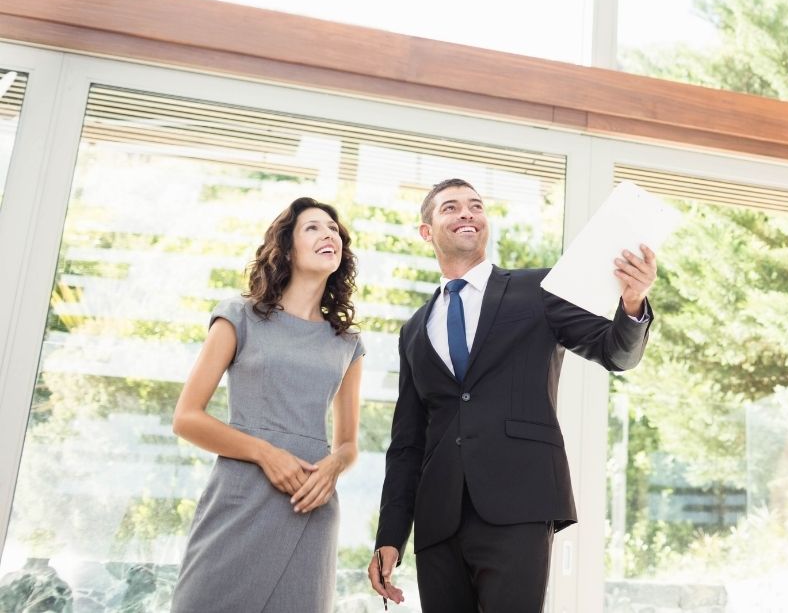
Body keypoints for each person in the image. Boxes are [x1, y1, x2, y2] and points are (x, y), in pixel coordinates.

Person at [368, 178, 657, 612]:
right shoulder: (413, 330)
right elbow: (407, 443)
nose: (467, 213)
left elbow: (613, 351)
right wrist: (390, 535)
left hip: (519, 503)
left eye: (476, 206)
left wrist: (633, 304)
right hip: (438, 519)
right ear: (427, 231)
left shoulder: (539, 291)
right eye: (450, 207)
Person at [171, 197, 365, 612]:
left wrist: (333, 465)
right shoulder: (238, 316)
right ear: (286, 246)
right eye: (313, 227)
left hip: (309, 507)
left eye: (333, 229)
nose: (328, 234)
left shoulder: (348, 344)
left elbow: (348, 443)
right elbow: (187, 418)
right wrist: (265, 453)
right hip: (240, 501)